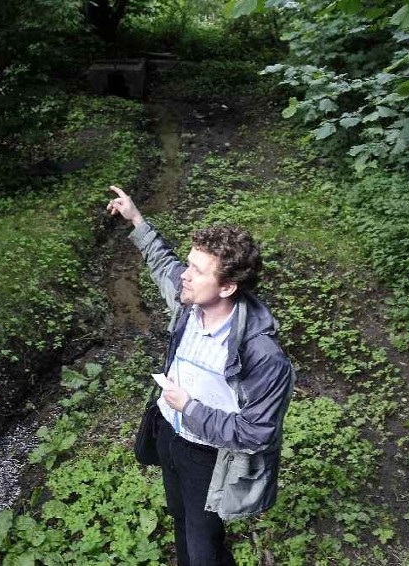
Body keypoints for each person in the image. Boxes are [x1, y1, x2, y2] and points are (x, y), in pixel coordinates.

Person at [107, 185, 294, 565]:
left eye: (196, 270)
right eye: (189, 264)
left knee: (203, 543)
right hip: (169, 435)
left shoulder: (262, 355)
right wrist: (136, 218)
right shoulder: (188, 302)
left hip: (206, 455)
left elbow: (257, 433)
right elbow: (163, 264)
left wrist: (189, 407)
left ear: (227, 286)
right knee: (181, 520)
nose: (185, 277)